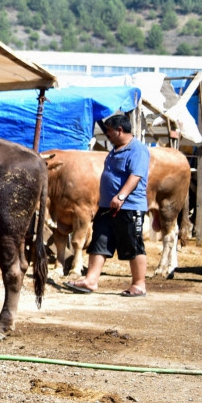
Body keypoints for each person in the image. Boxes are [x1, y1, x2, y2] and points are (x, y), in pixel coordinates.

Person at [64, 112, 150, 297]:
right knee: (99, 242)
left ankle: (139, 285)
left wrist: (121, 196)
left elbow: (136, 176)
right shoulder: (116, 149)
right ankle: (90, 281)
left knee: (133, 245)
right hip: (107, 207)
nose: (107, 135)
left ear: (120, 130)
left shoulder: (137, 150)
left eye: (109, 132)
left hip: (129, 206)